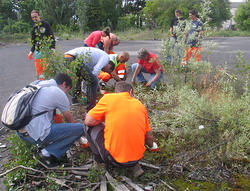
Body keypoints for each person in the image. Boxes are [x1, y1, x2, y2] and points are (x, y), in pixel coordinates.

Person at [84, 81, 158, 178]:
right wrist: (152, 146)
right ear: (130, 92)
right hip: (136, 159)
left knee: (86, 127)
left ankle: (99, 162)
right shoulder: (140, 105)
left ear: (116, 92)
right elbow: (148, 136)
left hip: (113, 159)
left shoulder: (108, 98)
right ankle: (134, 166)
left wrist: (103, 120)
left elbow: (88, 121)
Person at [16, 73, 84, 167]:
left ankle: (40, 147)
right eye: (67, 90)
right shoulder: (57, 92)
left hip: (21, 133)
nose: (65, 93)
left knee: (46, 121)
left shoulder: (38, 84)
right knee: (80, 128)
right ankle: (46, 153)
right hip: (34, 135)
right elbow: (71, 121)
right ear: (64, 84)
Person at [27, 10, 56, 80]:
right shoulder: (34, 28)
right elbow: (34, 42)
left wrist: (52, 48)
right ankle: (41, 83)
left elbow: (51, 36)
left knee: (48, 70)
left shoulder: (45, 24)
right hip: (38, 52)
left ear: (39, 16)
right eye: (33, 17)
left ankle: (49, 84)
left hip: (47, 51)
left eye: (35, 17)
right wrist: (31, 51)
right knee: (39, 71)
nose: (34, 19)